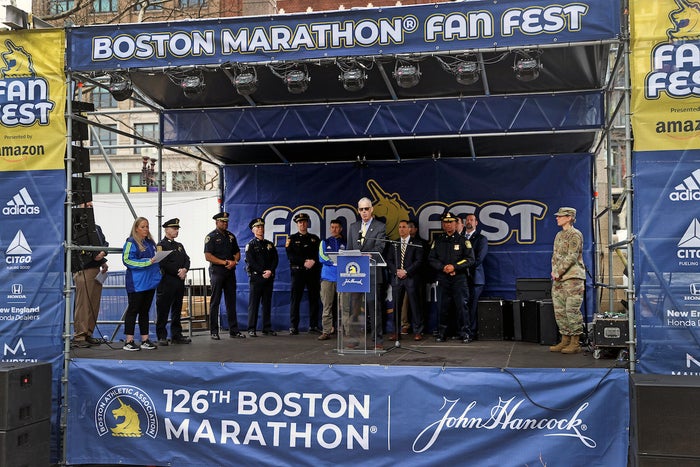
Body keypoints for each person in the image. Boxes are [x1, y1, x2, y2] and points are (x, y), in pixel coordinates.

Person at [428, 211, 476, 343]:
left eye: (450, 222)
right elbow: (431, 259)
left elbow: (470, 259)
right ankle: (442, 333)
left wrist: (454, 267)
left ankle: (466, 333)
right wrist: (443, 268)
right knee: (442, 307)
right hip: (443, 278)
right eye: (445, 222)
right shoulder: (438, 241)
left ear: (456, 223)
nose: (448, 225)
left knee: (462, 307)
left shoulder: (463, 241)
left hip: (459, 278)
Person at [347, 197, 387, 349]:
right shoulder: (353, 227)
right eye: (361, 209)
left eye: (366, 209)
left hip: (372, 273)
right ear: (358, 211)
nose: (364, 212)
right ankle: (354, 338)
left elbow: (380, 248)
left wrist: (367, 254)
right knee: (354, 307)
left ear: (372, 209)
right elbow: (350, 248)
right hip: (355, 274)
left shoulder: (380, 226)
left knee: (373, 307)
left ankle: (377, 340)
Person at [549, 207, 586, 354]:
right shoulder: (559, 235)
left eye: (560, 216)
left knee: (571, 309)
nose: (557, 218)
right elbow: (555, 256)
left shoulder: (575, 235)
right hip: (559, 278)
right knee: (560, 310)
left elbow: (572, 256)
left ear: (569, 217)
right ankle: (565, 339)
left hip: (572, 278)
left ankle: (575, 342)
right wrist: (554, 272)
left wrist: (558, 272)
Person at [72, 203, 108, 348]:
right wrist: (95, 256)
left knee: (94, 303)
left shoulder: (96, 228)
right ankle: (80, 335)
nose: (90, 207)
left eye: (91, 205)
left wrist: (103, 257)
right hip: (84, 269)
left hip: (96, 268)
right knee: (83, 304)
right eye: (87, 205)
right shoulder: (76, 228)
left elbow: (104, 244)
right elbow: (76, 248)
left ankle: (88, 333)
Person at [122, 217, 161, 351]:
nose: (146, 229)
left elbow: (155, 258)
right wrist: (146, 262)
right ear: (136, 228)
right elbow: (127, 260)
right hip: (137, 283)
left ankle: (145, 339)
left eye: (147, 226)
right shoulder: (131, 242)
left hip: (149, 282)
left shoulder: (150, 242)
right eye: (143, 227)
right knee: (133, 310)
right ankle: (129, 340)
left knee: (145, 311)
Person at [204, 212, 246, 340]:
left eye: (226, 221)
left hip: (229, 271)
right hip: (217, 271)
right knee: (215, 301)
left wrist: (234, 261)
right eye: (222, 221)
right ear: (216, 222)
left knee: (231, 301)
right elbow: (208, 256)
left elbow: (237, 252)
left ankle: (234, 330)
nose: (225, 223)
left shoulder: (231, 236)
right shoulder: (211, 237)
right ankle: (214, 331)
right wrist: (225, 262)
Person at [386, 220, 425, 341]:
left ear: (409, 229)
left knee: (414, 305)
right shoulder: (394, 244)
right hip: (397, 278)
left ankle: (418, 331)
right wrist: (396, 271)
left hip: (411, 278)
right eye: (399, 227)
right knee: (396, 305)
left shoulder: (416, 243)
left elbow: (419, 261)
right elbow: (389, 260)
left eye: (404, 227)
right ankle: (395, 332)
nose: (401, 229)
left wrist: (406, 271)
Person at [155, 218, 191, 346]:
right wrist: (179, 271)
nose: (176, 231)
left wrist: (185, 269)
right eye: (174, 229)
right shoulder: (161, 245)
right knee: (163, 310)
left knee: (177, 309)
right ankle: (162, 336)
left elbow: (187, 259)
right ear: (166, 229)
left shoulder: (179, 245)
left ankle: (176, 334)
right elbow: (163, 263)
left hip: (178, 282)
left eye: (177, 229)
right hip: (167, 282)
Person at [285, 212, 321, 335]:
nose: (302, 224)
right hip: (298, 272)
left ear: (308, 223)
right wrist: (304, 261)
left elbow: (319, 254)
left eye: (305, 222)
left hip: (312, 272)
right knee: (295, 299)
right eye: (300, 222)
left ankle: (313, 325)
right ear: (297, 224)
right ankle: (294, 326)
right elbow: (290, 256)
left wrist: (313, 261)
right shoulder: (292, 239)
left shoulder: (315, 239)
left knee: (314, 298)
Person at [244, 217, 278, 337]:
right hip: (257, 278)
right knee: (254, 304)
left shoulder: (269, 244)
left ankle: (267, 328)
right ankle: (251, 328)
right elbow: (251, 262)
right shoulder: (251, 245)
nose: (260, 229)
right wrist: (263, 271)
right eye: (258, 227)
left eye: (262, 226)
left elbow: (275, 259)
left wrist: (270, 270)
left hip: (268, 277)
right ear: (253, 230)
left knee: (267, 303)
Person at [317, 218, 346, 341]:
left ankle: (347, 331)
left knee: (345, 306)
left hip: (343, 278)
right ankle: (326, 331)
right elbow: (322, 257)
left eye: (337, 227)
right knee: (327, 306)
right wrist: (334, 262)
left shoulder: (346, 242)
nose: (334, 229)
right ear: (330, 228)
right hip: (327, 278)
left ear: (341, 229)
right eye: (332, 227)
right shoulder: (324, 241)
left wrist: (338, 263)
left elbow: (349, 256)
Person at [464, 213, 488, 339]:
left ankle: (471, 332)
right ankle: (463, 331)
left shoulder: (481, 239)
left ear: (476, 223)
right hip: (461, 279)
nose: (469, 221)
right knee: (463, 306)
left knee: (472, 307)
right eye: (467, 220)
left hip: (475, 278)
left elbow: (479, 259)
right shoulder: (460, 238)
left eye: (472, 220)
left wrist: (462, 267)